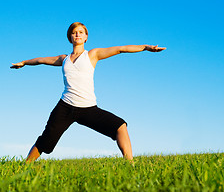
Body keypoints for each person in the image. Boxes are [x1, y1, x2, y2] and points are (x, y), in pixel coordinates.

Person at [11, 22, 166, 162]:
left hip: (88, 109)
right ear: (70, 37)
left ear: (85, 37)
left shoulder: (92, 55)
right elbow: (40, 60)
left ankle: (130, 164)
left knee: (120, 126)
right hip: (64, 107)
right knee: (46, 141)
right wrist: (24, 63)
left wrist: (145, 47)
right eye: (74, 32)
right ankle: (25, 166)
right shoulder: (63, 59)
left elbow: (120, 49)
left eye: (80, 32)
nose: (77, 34)